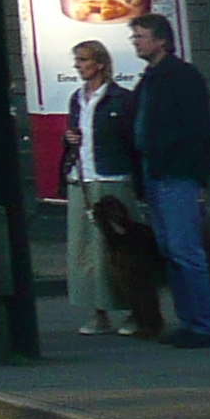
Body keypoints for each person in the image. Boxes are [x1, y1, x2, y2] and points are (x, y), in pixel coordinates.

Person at [127, 14, 210, 349]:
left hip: (176, 174)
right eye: (134, 37)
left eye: (141, 36)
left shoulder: (181, 76)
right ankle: (189, 321)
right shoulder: (150, 77)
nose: (136, 42)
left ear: (162, 41)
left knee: (185, 251)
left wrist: (197, 176)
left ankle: (203, 325)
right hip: (154, 172)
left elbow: (198, 130)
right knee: (170, 251)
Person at [63, 39, 141, 337]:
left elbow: (131, 141)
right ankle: (99, 311)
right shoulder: (76, 98)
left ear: (100, 63)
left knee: (119, 248)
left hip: (112, 178)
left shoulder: (121, 99)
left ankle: (134, 308)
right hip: (82, 178)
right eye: (77, 60)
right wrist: (69, 140)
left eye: (83, 60)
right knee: (86, 249)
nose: (79, 66)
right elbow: (74, 133)